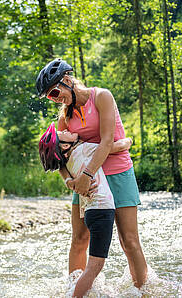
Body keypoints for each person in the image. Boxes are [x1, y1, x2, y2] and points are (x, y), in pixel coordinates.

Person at [36, 58, 148, 288]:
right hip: (84, 180)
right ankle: (75, 290)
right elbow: (58, 157)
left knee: (129, 241)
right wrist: (70, 181)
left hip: (117, 173)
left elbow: (107, 141)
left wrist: (85, 176)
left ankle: (143, 291)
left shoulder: (102, 97)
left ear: (67, 80)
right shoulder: (64, 117)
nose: (55, 99)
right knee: (79, 240)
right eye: (50, 96)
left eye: (55, 92)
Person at [39, 122, 133, 297]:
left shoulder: (68, 161)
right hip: (102, 211)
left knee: (94, 265)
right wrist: (128, 141)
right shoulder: (84, 150)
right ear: (65, 146)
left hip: (91, 211)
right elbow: (115, 147)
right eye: (62, 133)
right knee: (94, 266)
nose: (66, 130)